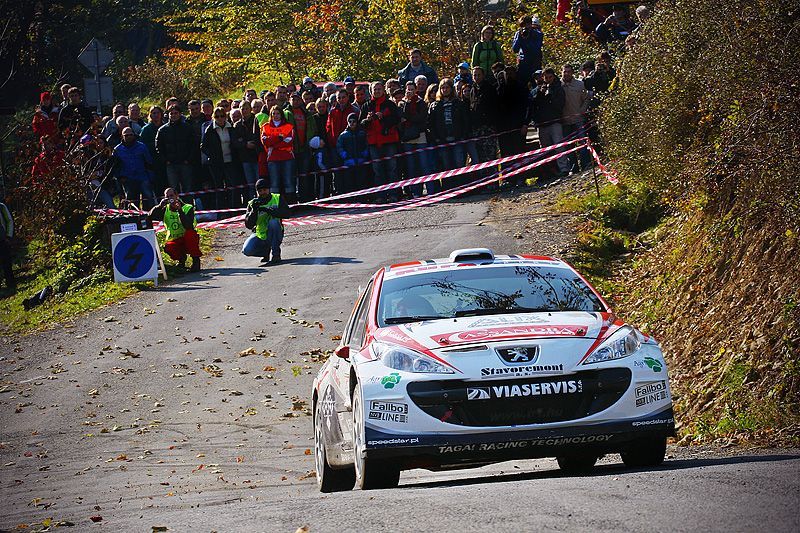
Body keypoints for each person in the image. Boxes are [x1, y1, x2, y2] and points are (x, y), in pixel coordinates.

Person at [359, 81, 401, 203]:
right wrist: (367, 120)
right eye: (374, 89)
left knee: (392, 169)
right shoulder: (366, 105)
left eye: (379, 89)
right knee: (377, 171)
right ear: (371, 91)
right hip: (373, 142)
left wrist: (383, 118)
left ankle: (394, 194)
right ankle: (380, 196)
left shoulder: (390, 104)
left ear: (383, 90)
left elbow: (396, 119)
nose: (377, 91)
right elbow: (361, 124)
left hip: (389, 141)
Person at [428, 78, 471, 188]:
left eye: (447, 87)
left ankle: (461, 188)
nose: (445, 90)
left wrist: (463, 136)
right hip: (442, 140)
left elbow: (465, 121)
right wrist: (436, 138)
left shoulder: (459, 104)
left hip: (457, 139)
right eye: (442, 88)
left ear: (451, 89)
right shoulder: (435, 105)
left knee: (459, 163)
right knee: (446, 165)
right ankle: (448, 189)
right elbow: (431, 124)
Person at [148, 188, 201, 272]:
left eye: (171, 196)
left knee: (190, 234)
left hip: (188, 240)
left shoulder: (188, 207)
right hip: (175, 240)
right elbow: (150, 216)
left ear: (177, 196)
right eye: (167, 196)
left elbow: (188, 226)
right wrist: (159, 206)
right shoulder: (165, 209)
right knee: (169, 247)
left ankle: (196, 260)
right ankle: (181, 260)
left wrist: (180, 210)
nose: (170, 198)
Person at [201, 107, 243, 209]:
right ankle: (221, 211)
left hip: (230, 162)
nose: (220, 118)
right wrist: (212, 156)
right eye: (217, 116)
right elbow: (203, 146)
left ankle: (234, 209)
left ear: (226, 116)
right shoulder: (210, 129)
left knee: (232, 187)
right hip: (216, 163)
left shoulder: (231, 128)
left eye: (222, 116)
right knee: (219, 188)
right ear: (214, 117)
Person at [399, 83, 437, 197]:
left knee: (424, 165)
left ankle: (431, 191)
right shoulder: (402, 103)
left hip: (420, 136)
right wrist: (408, 104)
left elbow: (420, 118)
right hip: (407, 138)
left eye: (412, 89)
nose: (410, 91)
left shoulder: (421, 103)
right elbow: (402, 116)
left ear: (415, 90)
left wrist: (408, 117)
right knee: (411, 167)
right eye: (408, 89)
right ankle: (416, 192)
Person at [242, 179, 292, 264]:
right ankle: (265, 252)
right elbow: (249, 225)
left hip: (275, 232)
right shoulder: (252, 203)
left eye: (265, 190)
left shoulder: (277, 198)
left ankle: (276, 253)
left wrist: (270, 210)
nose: (263, 192)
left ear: (269, 189)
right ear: (257, 192)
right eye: (260, 191)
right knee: (247, 250)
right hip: (260, 234)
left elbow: (287, 214)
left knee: (273, 222)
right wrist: (254, 211)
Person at [532, 68, 569, 176]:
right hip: (542, 124)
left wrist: (550, 96)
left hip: (555, 121)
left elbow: (560, 105)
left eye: (550, 77)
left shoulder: (558, 88)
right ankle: (550, 171)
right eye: (546, 77)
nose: (548, 79)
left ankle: (564, 168)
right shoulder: (537, 90)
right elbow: (534, 105)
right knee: (546, 150)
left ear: (554, 76)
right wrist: (540, 94)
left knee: (559, 147)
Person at [261, 105, 297, 203]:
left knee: (288, 181)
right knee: (274, 183)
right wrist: (279, 138)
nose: (276, 116)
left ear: (281, 115)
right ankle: (275, 205)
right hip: (273, 158)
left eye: (278, 113)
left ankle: (291, 204)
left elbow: (289, 141)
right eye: (274, 114)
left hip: (287, 157)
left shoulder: (288, 126)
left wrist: (273, 143)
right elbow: (265, 141)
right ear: (271, 115)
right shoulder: (266, 127)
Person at [156, 105, 195, 193]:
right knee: (173, 189)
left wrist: (189, 159)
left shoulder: (187, 128)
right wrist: (165, 160)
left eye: (176, 113)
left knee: (187, 188)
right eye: (171, 113)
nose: (173, 115)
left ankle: (188, 206)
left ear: (180, 114)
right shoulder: (162, 130)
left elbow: (193, 145)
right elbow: (158, 147)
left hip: (185, 163)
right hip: (171, 164)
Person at [114, 127, 155, 209]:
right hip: (127, 178)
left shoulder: (142, 147)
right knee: (131, 200)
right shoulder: (117, 150)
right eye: (126, 135)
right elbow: (115, 166)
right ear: (122, 136)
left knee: (148, 196)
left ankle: (151, 215)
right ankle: (133, 218)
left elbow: (149, 162)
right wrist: (119, 177)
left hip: (142, 176)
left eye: (131, 135)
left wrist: (151, 177)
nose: (129, 137)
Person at [469, 66, 500, 169]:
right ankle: (483, 183)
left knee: (490, 157)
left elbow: (495, 107)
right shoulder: (472, 89)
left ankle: (493, 183)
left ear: (483, 75)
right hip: (476, 129)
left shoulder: (490, 89)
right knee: (479, 158)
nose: (476, 77)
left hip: (488, 129)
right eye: (474, 75)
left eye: (478, 75)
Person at [560, 64, 590, 172]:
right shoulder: (558, 85)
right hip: (564, 121)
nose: (566, 73)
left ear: (572, 72)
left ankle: (585, 164)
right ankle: (574, 166)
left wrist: (582, 110)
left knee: (582, 142)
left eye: (568, 71)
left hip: (578, 119)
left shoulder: (579, 84)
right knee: (569, 146)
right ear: (561, 72)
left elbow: (586, 98)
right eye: (564, 71)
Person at [286, 92, 313, 202]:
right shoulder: (286, 113)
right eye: (293, 99)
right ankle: (292, 200)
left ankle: (304, 199)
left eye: (297, 99)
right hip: (291, 150)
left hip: (304, 149)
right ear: (289, 100)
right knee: (291, 177)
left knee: (304, 176)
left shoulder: (306, 113)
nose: (295, 101)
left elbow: (311, 128)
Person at [232, 100, 260, 199]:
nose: (244, 111)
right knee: (250, 184)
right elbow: (235, 142)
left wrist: (254, 144)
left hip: (257, 156)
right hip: (245, 158)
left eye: (246, 108)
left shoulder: (256, 120)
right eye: (242, 109)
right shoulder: (237, 125)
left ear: (250, 109)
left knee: (259, 182)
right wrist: (245, 144)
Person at [336, 113, 369, 194]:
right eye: (349, 121)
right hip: (349, 163)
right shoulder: (343, 135)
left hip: (361, 161)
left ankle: (362, 198)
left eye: (354, 121)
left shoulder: (362, 133)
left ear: (357, 122)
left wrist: (365, 154)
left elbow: (367, 144)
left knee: (362, 181)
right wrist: (344, 155)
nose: (352, 123)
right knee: (349, 183)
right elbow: (339, 147)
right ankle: (351, 199)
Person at [139, 106, 167, 195]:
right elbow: (142, 145)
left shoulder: (166, 127)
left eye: (157, 113)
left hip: (166, 160)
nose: (156, 115)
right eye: (153, 113)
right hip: (152, 162)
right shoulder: (146, 129)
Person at [512, 16, 544, 87]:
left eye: (528, 24)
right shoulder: (518, 34)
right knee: (521, 88)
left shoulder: (538, 34)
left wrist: (527, 39)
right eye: (523, 25)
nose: (526, 27)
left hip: (534, 64)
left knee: (536, 86)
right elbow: (515, 49)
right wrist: (520, 38)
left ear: (530, 24)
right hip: (523, 65)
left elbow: (536, 49)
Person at [0, 202, 15, 294]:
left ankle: (11, 283)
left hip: (3, 239)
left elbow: (9, 221)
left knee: (7, 263)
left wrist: (9, 236)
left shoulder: (1, 207)